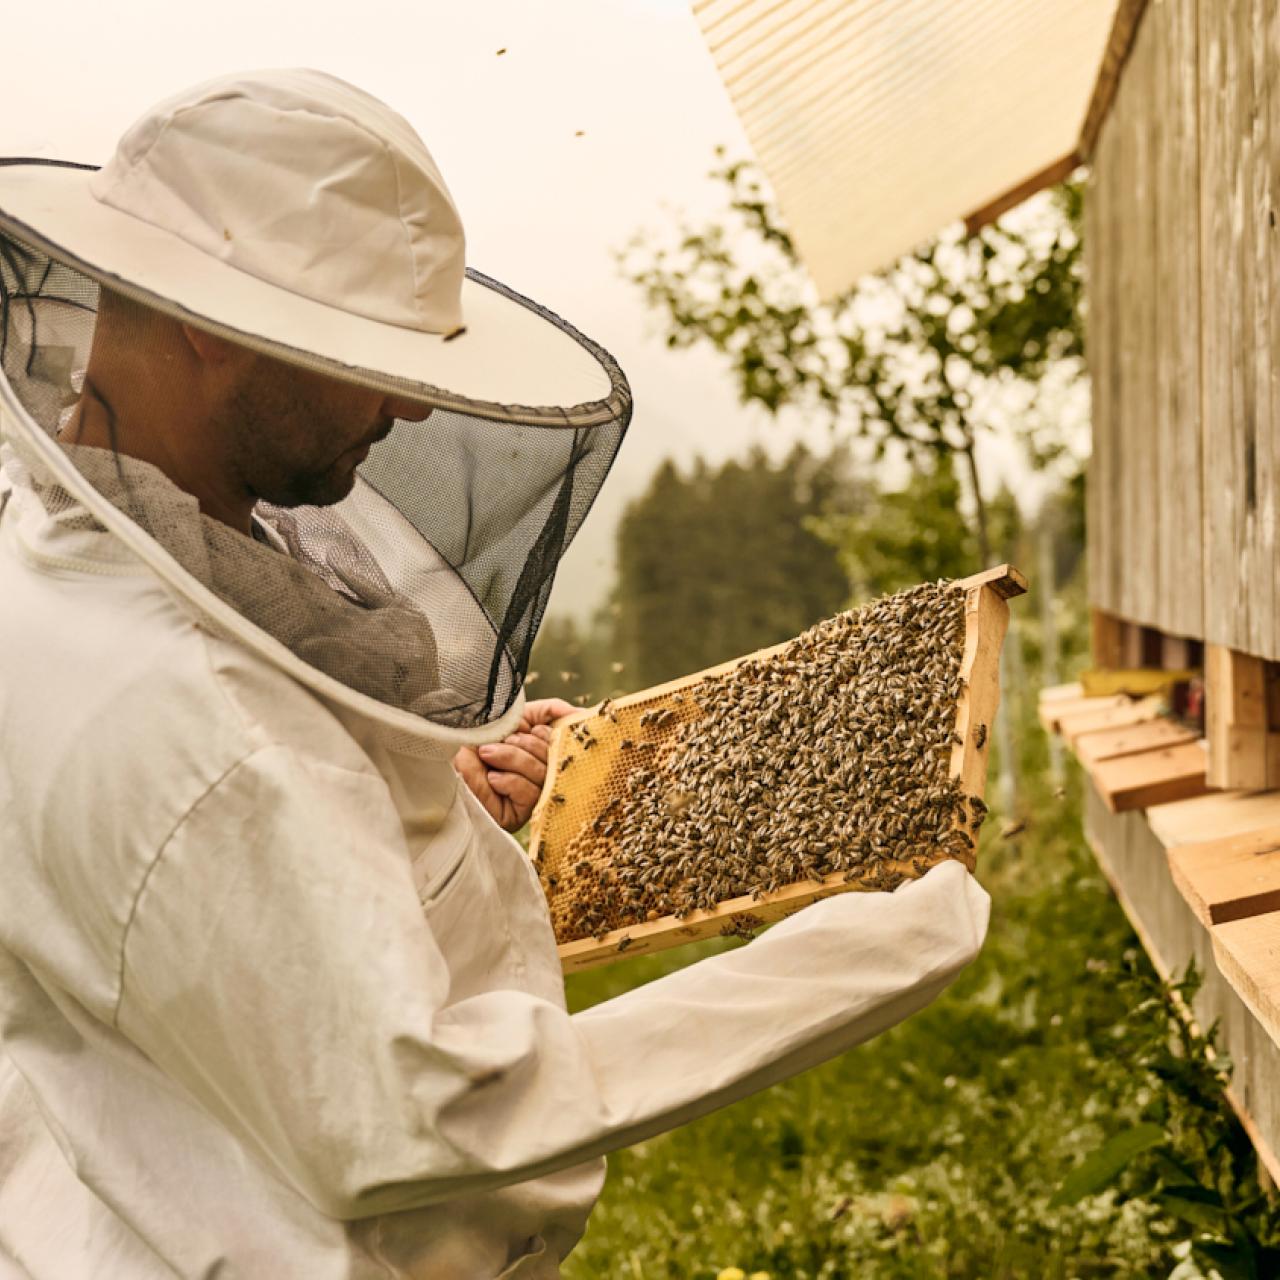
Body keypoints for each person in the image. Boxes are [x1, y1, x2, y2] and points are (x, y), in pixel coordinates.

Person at [0, 70, 991, 1278]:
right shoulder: (204, 728)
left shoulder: (56, 552)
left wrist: (404, 797)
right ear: (212, 320)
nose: (408, 413)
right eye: (367, 355)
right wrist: (860, 953)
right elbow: (426, 1111)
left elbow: (191, 891)